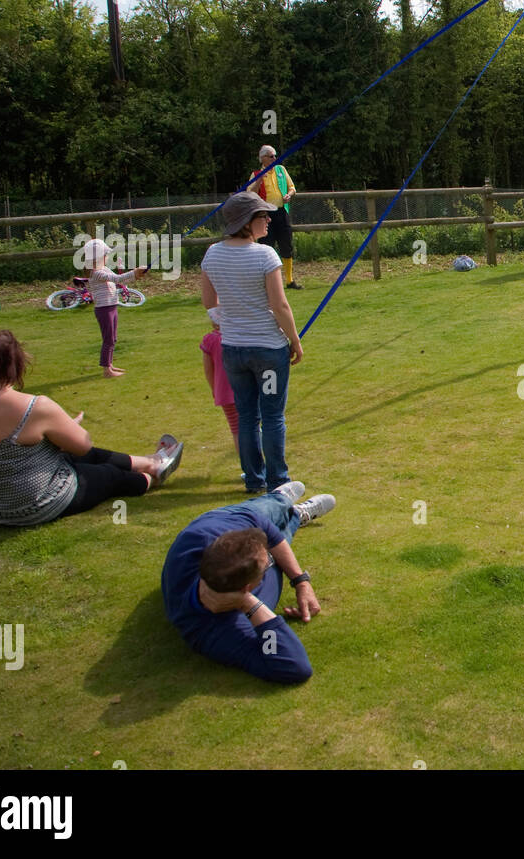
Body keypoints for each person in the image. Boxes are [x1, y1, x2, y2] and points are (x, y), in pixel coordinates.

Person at [0, 329, 184, 525]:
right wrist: (66, 426)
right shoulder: (34, 406)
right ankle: (150, 476)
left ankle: (151, 462)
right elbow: (83, 446)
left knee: (68, 455)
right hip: (32, 505)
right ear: (17, 364)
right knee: (107, 474)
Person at [161, 482, 335, 684]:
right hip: (246, 583)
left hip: (233, 515)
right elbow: (294, 666)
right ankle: (296, 515)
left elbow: (265, 530)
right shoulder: (217, 634)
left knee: (271, 509)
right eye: (266, 563)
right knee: (282, 541)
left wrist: (300, 581)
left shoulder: (208, 535)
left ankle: (281, 498)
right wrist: (249, 605)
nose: (269, 556)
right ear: (247, 589)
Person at [200, 191, 304, 492]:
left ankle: (255, 480)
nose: (269, 220)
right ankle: (278, 480)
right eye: (262, 216)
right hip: (268, 352)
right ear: (246, 222)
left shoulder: (212, 254)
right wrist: (295, 341)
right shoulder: (265, 255)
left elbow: (209, 304)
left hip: (233, 351)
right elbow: (280, 305)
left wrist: (232, 322)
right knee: (272, 417)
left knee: (247, 416)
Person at [80, 238, 148, 378]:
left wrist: (136, 276)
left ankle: (109, 365)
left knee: (113, 338)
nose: (106, 257)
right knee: (108, 339)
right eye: (104, 255)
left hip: (111, 306)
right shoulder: (96, 273)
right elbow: (117, 279)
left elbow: (119, 280)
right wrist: (134, 272)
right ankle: (106, 370)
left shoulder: (103, 269)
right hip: (104, 309)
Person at [250, 145, 301, 290]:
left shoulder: (281, 170)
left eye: (275, 155)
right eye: (271, 156)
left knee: (287, 245)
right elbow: (250, 193)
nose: (275, 158)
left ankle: (290, 281)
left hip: (281, 212)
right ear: (263, 158)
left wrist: (288, 195)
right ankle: (266, 282)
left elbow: (292, 187)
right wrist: (259, 180)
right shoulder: (255, 174)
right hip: (265, 216)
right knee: (266, 247)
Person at [200, 307, 238, 453]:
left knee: (236, 429)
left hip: (224, 392)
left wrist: (214, 389)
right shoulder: (241, 337)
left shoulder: (210, 340)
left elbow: (208, 370)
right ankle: (258, 465)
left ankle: (249, 468)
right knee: (252, 425)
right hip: (246, 389)